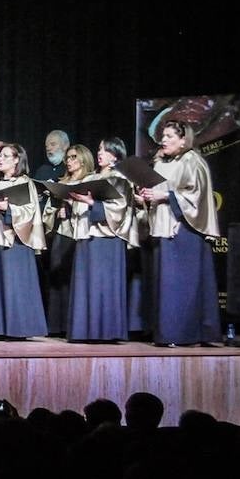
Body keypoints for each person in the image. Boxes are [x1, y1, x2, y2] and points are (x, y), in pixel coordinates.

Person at [139, 120, 221, 346]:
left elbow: (196, 195)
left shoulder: (193, 161)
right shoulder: (163, 162)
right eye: (162, 136)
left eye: (169, 136)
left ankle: (183, 334)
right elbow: (159, 192)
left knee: (179, 286)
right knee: (166, 286)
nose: (163, 140)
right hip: (163, 230)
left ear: (183, 140)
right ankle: (166, 333)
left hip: (183, 231)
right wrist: (146, 198)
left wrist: (166, 196)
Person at [0, 143, 48, 339]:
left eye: (6, 156)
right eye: (0, 156)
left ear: (17, 159)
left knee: (15, 285)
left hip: (16, 242)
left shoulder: (25, 183)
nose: (0, 159)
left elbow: (31, 212)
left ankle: (17, 328)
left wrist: (8, 208)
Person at [63, 138, 134, 342]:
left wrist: (92, 203)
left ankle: (105, 332)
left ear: (115, 154)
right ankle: (84, 331)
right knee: (86, 284)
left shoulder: (120, 178)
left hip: (107, 238)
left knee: (102, 285)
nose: (99, 153)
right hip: (87, 235)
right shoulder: (93, 177)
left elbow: (120, 208)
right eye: (99, 149)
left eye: (103, 149)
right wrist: (73, 202)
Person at [41, 143, 93, 335]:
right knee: (57, 276)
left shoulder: (89, 181)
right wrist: (56, 206)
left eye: (73, 157)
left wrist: (71, 206)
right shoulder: (63, 181)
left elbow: (91, 208)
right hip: (62, 233)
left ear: (83, 159)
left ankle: (73, 324)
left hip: (79, 235)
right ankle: (56, 324)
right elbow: (49, 211)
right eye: (68, 158)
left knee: (73, 279)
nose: (69, 161)